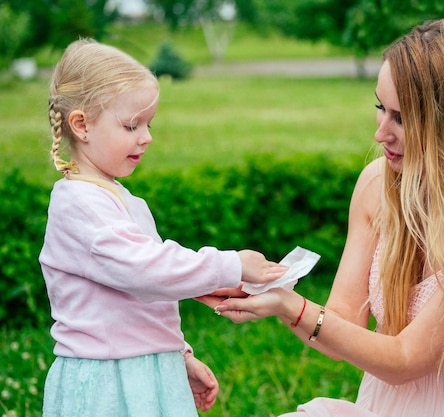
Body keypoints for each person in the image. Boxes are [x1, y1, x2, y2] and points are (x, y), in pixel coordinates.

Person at [200, 19, 444, 416]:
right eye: (380, 108)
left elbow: (404, 359)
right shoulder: (377, 186)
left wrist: (290, 306)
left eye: (401, 118)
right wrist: (267, 292)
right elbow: (342, 320)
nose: (381, 133)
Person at [40, 38, 287, 416]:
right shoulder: (79, 205)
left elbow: (143, 298)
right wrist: (229, 264)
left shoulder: (122, 199)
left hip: (143, 371)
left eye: (148, 123)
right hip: (109, 384)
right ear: (81, 125)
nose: (147, 136)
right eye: (131, 125)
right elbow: (146, 272)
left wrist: (177, 354)